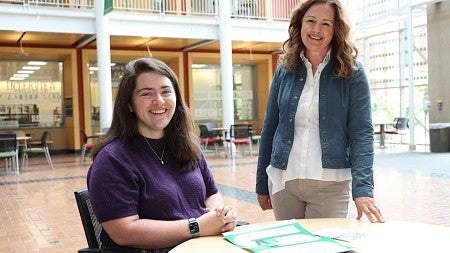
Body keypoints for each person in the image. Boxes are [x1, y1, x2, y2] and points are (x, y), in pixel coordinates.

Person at [87, 57, 237, 252]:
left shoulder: (186, 144)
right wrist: (196, 226)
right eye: (146, 93)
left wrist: (220, 216)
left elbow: (211, 193)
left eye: (166, 91)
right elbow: (123, 231)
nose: (159, 101)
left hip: (201, 245)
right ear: (129, 103)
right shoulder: (112, 160)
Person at [256, 0, 385, 223]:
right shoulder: (284, 70)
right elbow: (270, 127)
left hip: (330, 183)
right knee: (289, 247)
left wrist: (363, 189)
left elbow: (361, 133)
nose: (316, 30)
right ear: (300, 24)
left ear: (336, 30)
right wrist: (261, 182)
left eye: (326, 24)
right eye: (311, 21)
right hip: (284, 181)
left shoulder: (353, 72)